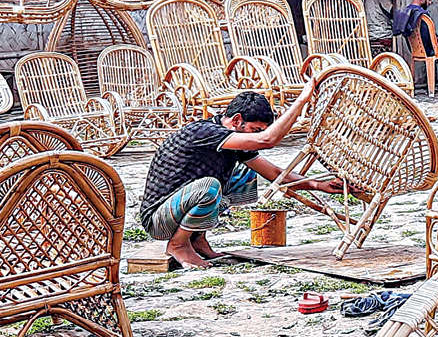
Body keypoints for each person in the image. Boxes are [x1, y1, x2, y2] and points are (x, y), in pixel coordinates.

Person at [138, 88, 344, 268]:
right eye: (254, 130)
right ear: (237, 120)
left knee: (245, 174)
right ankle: (178, 244)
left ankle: (197, 238)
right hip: (159, 220)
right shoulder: (204, 132)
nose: (256, 135)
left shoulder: (231, 140)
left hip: (180, 208)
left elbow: (274, 174)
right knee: (210, 186)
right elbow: (267, 140)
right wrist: (302, 100)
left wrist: (318, 184)